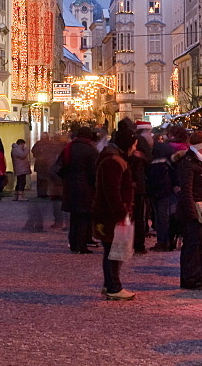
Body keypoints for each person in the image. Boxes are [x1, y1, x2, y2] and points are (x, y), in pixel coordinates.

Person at [92, 120, 137, 300]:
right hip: (110, 214)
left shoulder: (114, 157)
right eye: (133, 145)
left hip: (110, 212)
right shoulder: (114, 161)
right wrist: (121, 213)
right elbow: (112, 191)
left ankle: (109, 284)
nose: (134, 149)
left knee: (112, 249)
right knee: (113, 250)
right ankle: (113, 287)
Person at [174, 130, 202, 290]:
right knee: (192, 246)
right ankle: (190, 279)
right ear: (200, 147)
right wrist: (192, 215)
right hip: (193, 212)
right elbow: (187, 191)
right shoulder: (189, 163)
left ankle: (200, 277)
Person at [59, 127, 99, 253]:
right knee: (84, 216)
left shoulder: (69, 147)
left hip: (70, 186)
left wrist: (66, 178)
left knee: (74, 216)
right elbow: (93, 171)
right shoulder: (90, 150)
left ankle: (73, 243)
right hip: (85, 187)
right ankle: (81, 245)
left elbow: (59, 166)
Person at [146, 129, 177, 252]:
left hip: (156, 189)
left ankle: (163, 241)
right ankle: (166, 240)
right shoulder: (168, 154)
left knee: (160, 216)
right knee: (163, 216)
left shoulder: (152, 155)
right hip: (165, 188)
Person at [31, 133, 66, 230]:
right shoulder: (54, 146)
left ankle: (42, 193)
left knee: (42, 181)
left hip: (45, 167)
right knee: (45, 181)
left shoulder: (41, 144)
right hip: (49, 169)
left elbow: (34, 151)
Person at [128, 121, 152, 254]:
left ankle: (130, 243)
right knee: (138, 216)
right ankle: (138, 244)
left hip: (133, 183)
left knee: (133, 215)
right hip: (138, 184)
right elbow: (149, 160)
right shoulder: (142, 141)